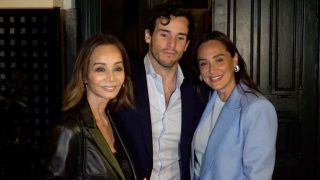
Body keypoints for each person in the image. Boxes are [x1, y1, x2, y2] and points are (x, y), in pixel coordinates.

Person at [112, 1, 207, 180]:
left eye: (180, 37)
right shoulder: (122, 79)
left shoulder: (196, 88)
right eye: (164, 34)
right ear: (148, 36)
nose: (172, 44)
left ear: (186, 44)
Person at [40, 33, 137, 180]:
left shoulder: (115, 119)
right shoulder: (70, 129)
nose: (111, 78)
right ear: (85, 76)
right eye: (100, 69)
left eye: (117, 68)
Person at [190, 30, 278, 180]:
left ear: (234, 59)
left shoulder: (257, 108)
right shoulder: (207, 99)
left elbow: (258, 176)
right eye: (204, 63)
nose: (212, 70)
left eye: (219, 60)